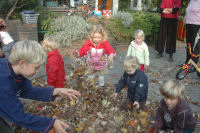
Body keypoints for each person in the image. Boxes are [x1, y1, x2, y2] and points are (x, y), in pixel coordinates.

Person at [0, 40, 81, 133]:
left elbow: (27, 91)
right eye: (36, 67)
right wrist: (50, 123)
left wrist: (56, 91)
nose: (37, 71)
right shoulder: (4, 81)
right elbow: (18, 116)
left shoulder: (14, 70)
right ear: (22, 63)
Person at [183, 0, 200, 69]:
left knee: (195, 46)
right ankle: (187, 62)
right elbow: (188, 12)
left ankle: (194, 64)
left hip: (196, 25)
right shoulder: (191, 1)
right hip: (189, 24)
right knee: (188, 45)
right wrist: (185, 18)